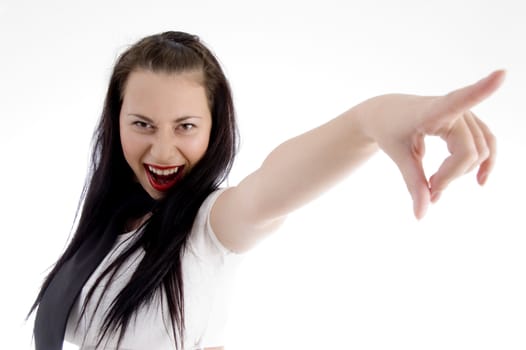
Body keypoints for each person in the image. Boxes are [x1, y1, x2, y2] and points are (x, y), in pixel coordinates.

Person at [28, 31, 505, 350]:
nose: (163, 149)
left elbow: (270, 187)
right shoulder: (110, 224)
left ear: (215, 129)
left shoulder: (211, 225)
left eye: (186, 126)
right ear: (116, 123)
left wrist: (370, 120)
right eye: (143, 124)